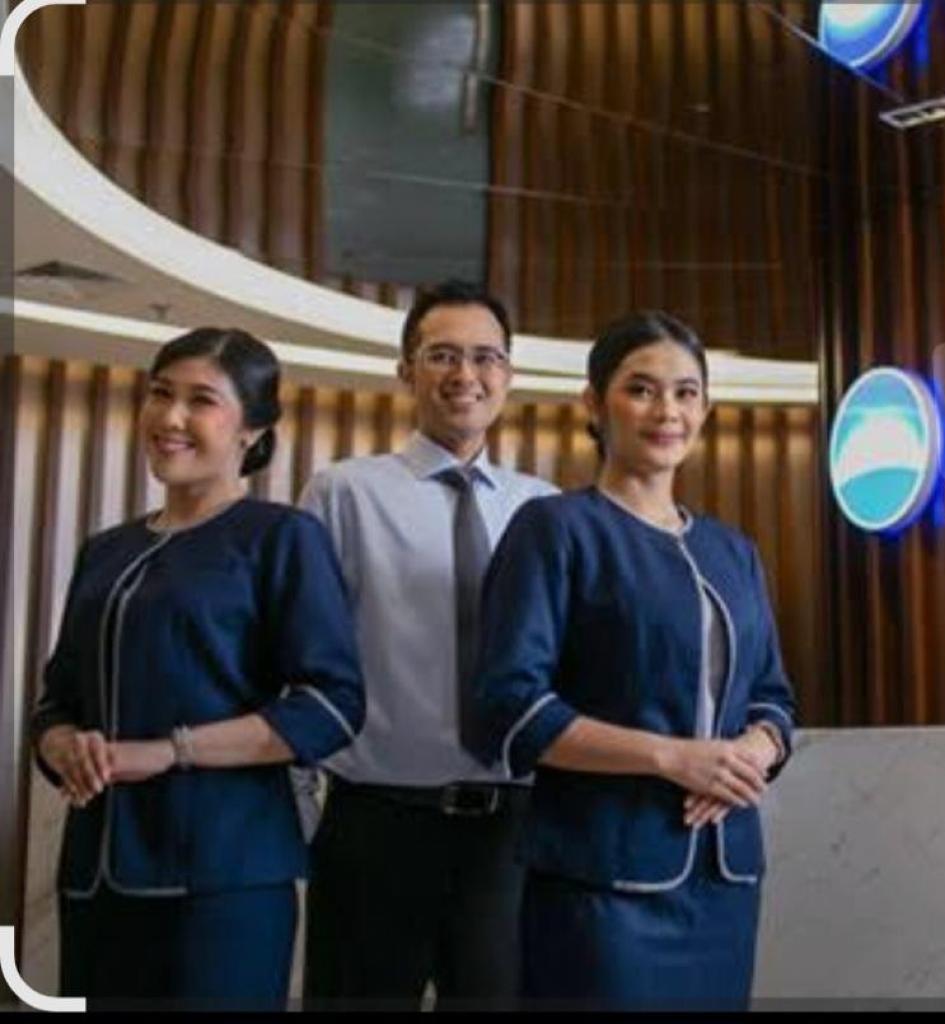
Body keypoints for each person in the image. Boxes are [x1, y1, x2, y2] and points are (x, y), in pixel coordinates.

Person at [463, 310, 797, 1011]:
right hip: (601, 878)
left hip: (725, 877)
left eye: (685, 393)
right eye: (641, 389)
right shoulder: (556, 529)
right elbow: (509, 707)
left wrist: (749, 753)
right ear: (594, 403)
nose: (667, 411)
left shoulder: (732, 550)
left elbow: (772, 696)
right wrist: (672, 758)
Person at [29, 327, 365, 1011]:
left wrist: (168, 750)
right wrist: (63, 745)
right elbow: (56, 700)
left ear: (252, 429)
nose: (170, 416)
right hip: (97, 875)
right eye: (160, 394)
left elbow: (331, 706)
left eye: (201, 400)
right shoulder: (105, 551)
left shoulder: (280, 537)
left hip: (225, 880)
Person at [299, 279, 557, 1010]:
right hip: (377, 823)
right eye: (441, 355)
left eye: (485, 357)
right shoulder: (343, 493)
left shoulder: (543, 508)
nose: (464, 374)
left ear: (508, 375)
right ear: (405, 371)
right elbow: (302, 657)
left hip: (509, 831)